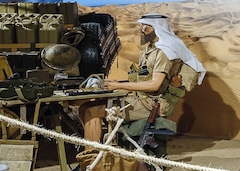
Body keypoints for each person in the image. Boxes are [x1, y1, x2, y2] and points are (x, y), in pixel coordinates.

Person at [80, 13, 206, 143]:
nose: (142, 29)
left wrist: (119, 85)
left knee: (91, 111)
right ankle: (94, 148)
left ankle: (92, 153)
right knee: (84, 108)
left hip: (153, 104)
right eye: (141, 25)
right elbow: (143, 80)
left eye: (146, 26)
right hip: (140, 98)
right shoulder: (149, 50)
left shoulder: (164, 52)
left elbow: (154, 85)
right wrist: (117, 83)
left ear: (157, 28)